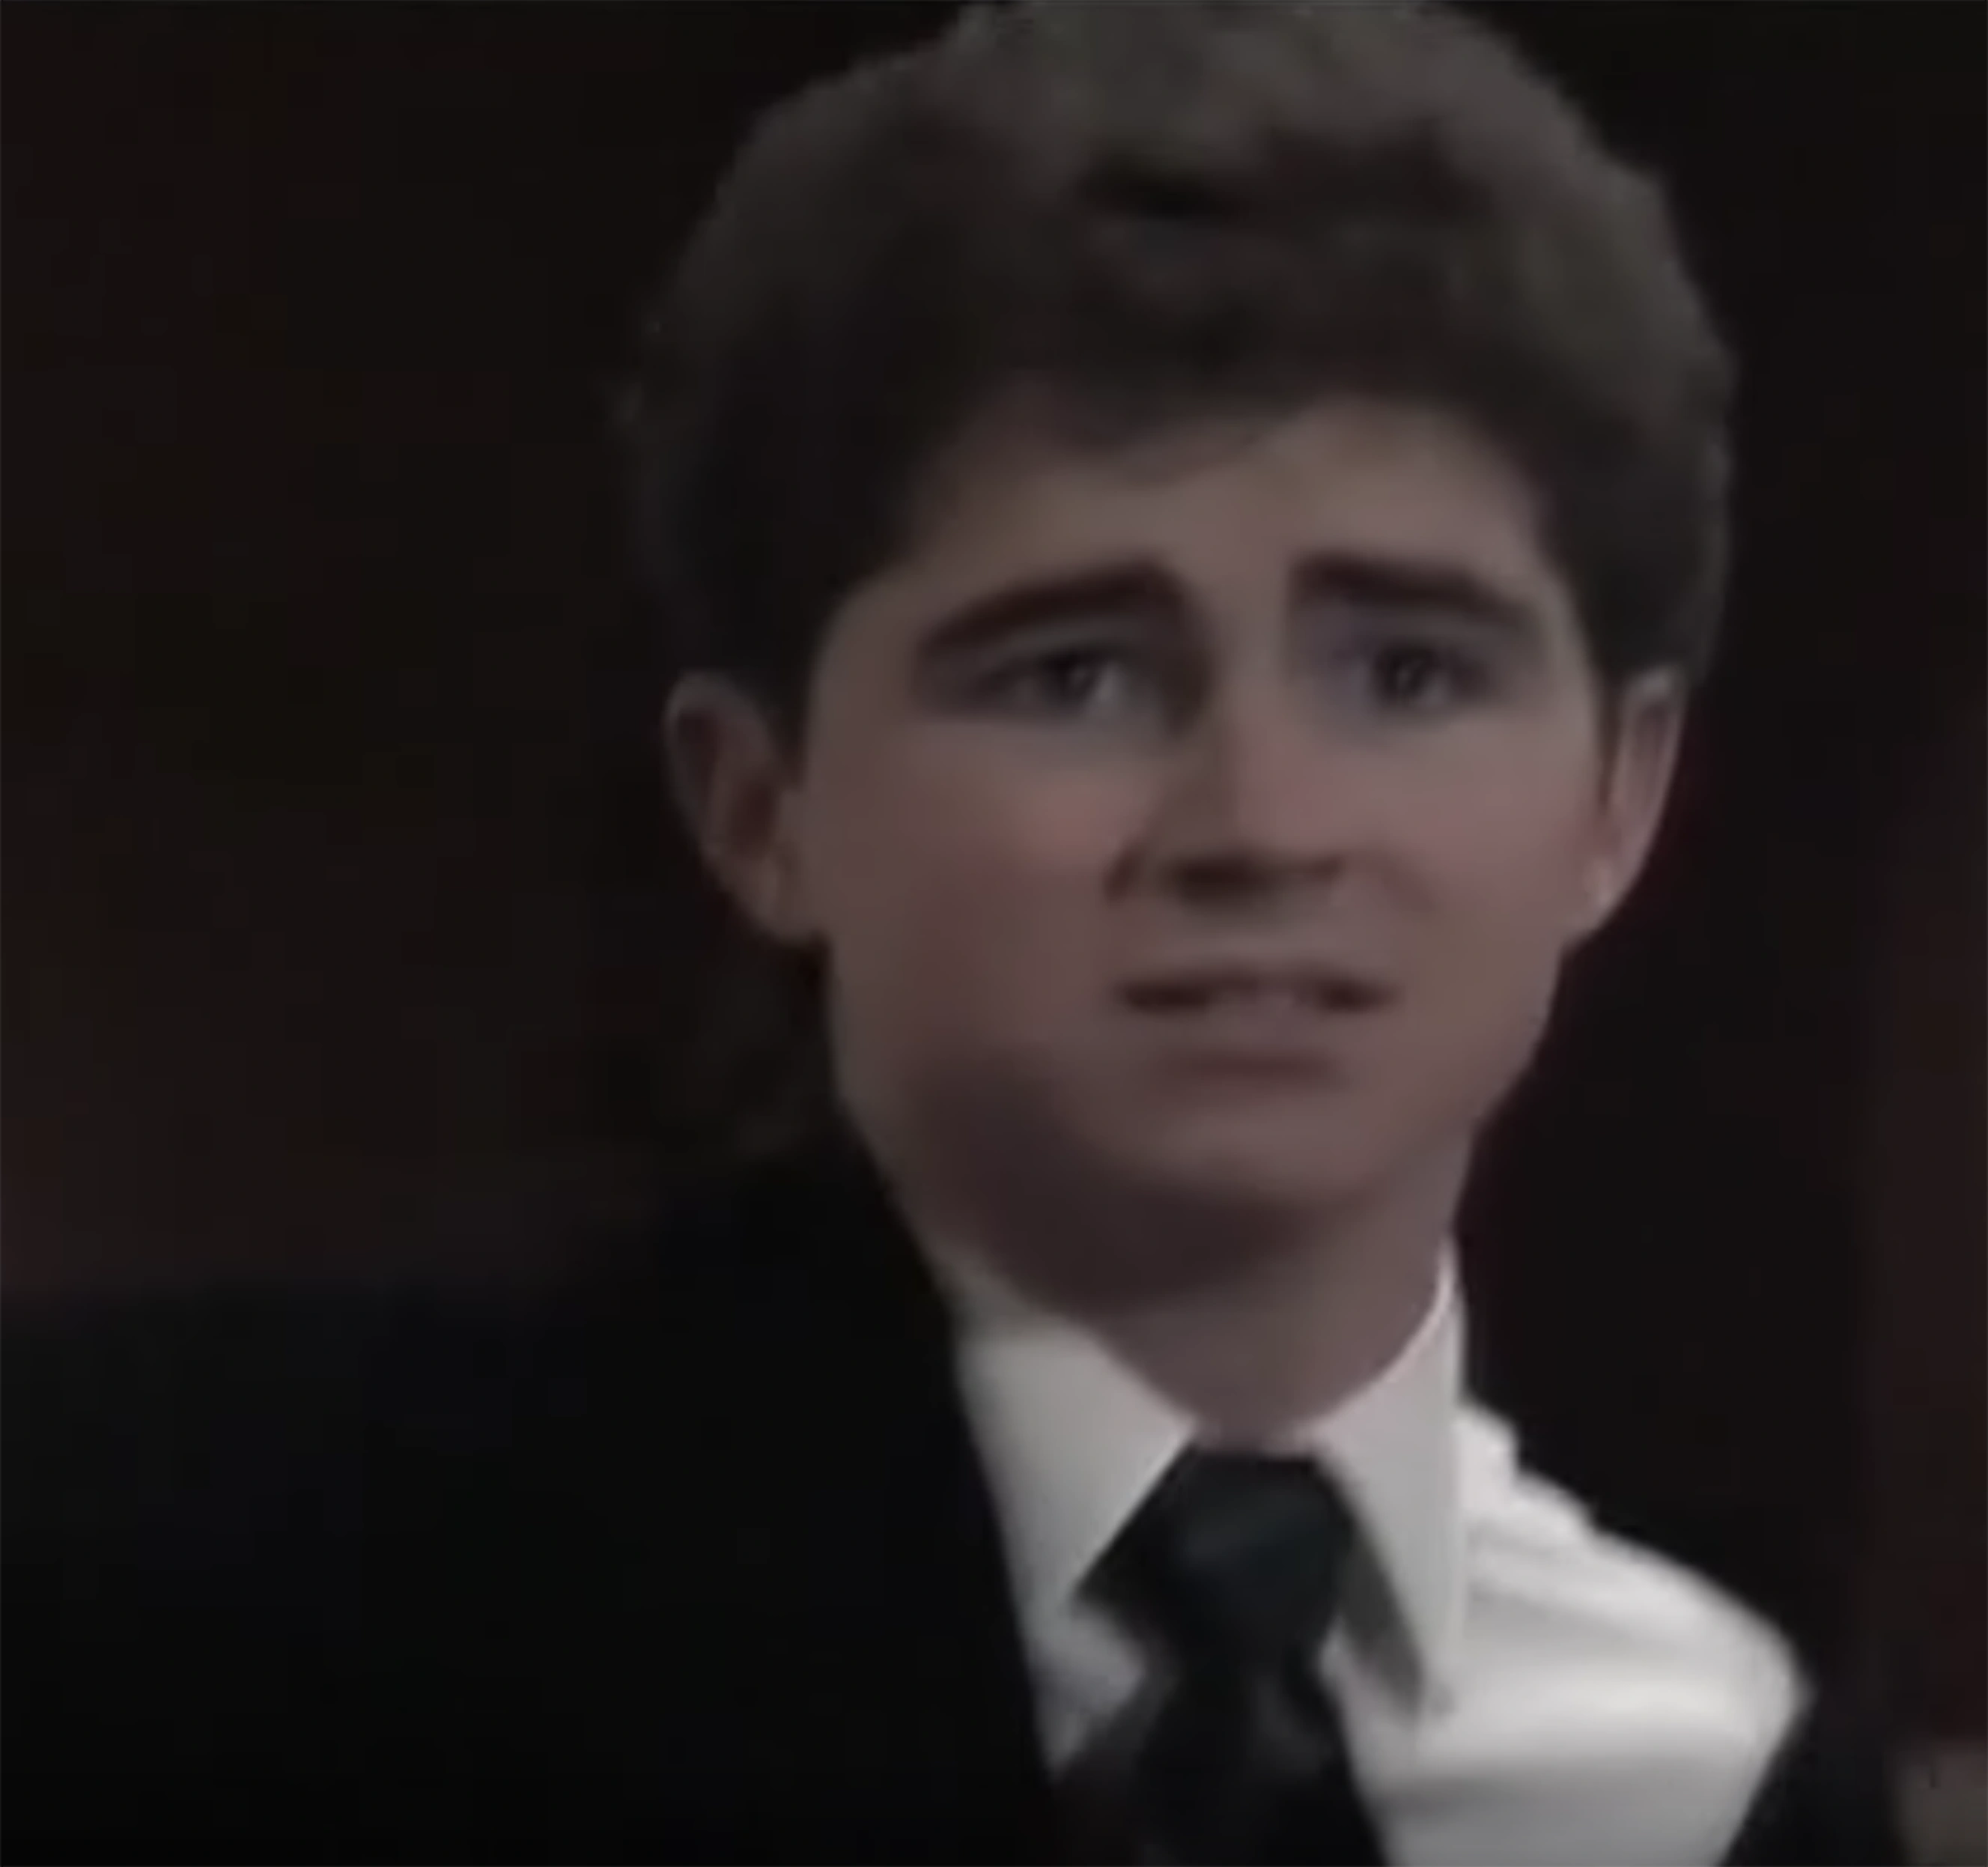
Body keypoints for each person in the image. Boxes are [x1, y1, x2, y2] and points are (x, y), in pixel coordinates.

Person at [0, 1, 1906, 1860]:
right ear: (760, 807)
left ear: (1618, 797)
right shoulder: (186, 1582)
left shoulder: (1710, 1768)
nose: (1262, 827)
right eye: (1074, 675)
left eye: (1408, 672)